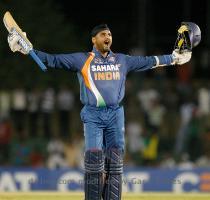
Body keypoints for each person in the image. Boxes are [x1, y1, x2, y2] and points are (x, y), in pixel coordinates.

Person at [7, 24, 191, 200]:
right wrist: (27, 49)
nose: (107, 37)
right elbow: (53, 60)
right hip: (93, 115)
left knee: (115, 164)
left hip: (115, 114)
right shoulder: (83, 59)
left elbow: (150, 61)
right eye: (103, 34)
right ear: (93, 40)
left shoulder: (122, 60)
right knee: (94, 163)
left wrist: (174, 58)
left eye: (109, 34)